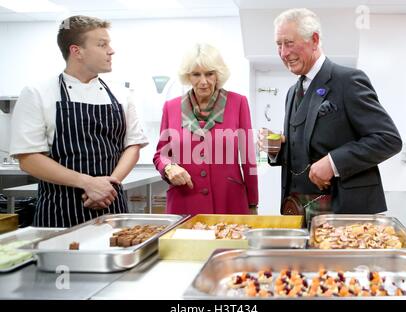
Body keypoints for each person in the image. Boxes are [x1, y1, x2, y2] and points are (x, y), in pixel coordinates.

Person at [258, 8, 402, 225]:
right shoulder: (291, 92)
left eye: (289, 43)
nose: (283, 53)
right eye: (279, 44)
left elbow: (388, 139)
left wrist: (334, 162)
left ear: (314, 40)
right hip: (300, 213)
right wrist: (277, 149)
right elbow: (303, 150)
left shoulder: (348, 81)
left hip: (345, 213)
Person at [9, 15, 148, 227]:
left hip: (112, 205)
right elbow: (28, 157)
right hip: (59, 213)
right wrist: (88, 183)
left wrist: (107, 186)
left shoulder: (121, 93)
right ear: (77, 51)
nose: (111, 50)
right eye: (102, 44)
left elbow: (133, 145)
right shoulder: (38, 92)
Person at [153, 43, 258, 215]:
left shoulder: (238, 103)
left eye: (209, 74)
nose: (203, 81)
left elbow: (248, 157)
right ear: (188, 76)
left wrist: (253, 203)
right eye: (196, 74)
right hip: (184, 201)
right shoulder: (171, 107)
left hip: (229, 201)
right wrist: (169, 167)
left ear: (218, 75)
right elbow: (161, 155)